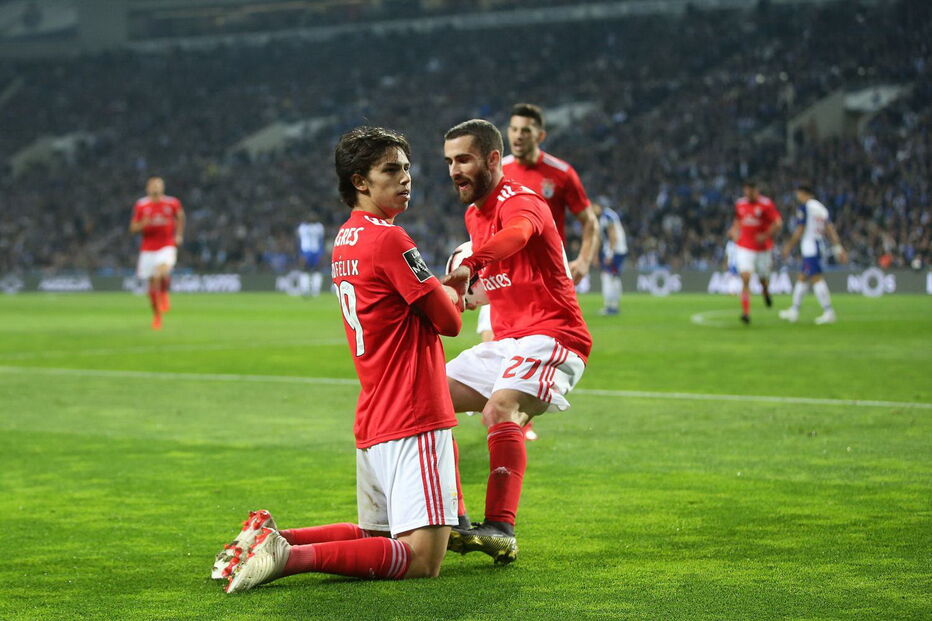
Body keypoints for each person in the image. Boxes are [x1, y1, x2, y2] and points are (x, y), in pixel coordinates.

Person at [216, 127, 464, 593]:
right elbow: (449, 321)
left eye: (408, 168)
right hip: (414, 410)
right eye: (391, 170)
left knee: (377, 537)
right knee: (423, 557)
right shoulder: (390, 240)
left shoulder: (346, 240)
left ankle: (269, 539)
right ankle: (287, 558)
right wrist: (457, 286)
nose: (406, 178)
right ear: (361, 182)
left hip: (375, 410)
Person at [441, 119, 592, 564]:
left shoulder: (522, 200)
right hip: (507, 340)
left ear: (492, 159)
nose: (454, 170)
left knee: (499, 408)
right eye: (449, 161)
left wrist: (473, 261)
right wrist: (466, 295)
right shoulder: (473, 214)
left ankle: (501, 528)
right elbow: (504, 281)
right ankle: (456, 518)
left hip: (554, 334)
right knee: (425, 402)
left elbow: (519, 236)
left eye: (463, 159)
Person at [480, 102, 599, 439]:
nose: (518, 136)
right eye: (514, 129)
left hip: (543, 276)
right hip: (501, 272)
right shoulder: (497, 169)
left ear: (540, 135)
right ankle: (512, 415)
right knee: (494, 340)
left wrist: (584, 259)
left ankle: (513, 412)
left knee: (531, 339)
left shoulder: (560, 173)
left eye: (526, 131)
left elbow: (589, 221)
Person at [779, 184, 847, 324]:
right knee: (803, 277)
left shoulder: (805, 207)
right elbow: (829, 228)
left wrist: (788, 246)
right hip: (818, 244)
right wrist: (838, 247)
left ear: (803, 193)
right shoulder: (821, 208)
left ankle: (829, 311)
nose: (797, 197)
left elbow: (800, 229)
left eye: (798, 194)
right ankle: (794, 310)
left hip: (810, 246)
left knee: (816, 278)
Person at [128, 176, 184, 330]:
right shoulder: (141, 205)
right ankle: (157, 316)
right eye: (153, 186)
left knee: (161, 272)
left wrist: (178, 234)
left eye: (158, 185)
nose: (156, 188)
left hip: (166, 245)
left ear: (163, 188)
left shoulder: (172, 203)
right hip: (147, 249)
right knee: (152, 283)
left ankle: (164, 293)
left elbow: (180, 217)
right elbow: (132, 228)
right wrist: (142, 224)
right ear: (148, 188)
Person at [727, 180, 782, 324]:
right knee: (745, 278)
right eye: (746, 190)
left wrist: (765, 236)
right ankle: (746, 313)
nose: (748, 193)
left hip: (762, 249)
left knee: (763, 279)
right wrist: (733, 231)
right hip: (744, 246)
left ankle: (765, 292)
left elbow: (778, 223)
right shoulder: (740, 204)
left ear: (756, 190)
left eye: (751, 190)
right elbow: (737, 220)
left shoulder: (766, 204)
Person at [592, 201, 627, 315]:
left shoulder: (606, 216)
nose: (592, 209)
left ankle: (609, 307)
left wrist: (610, 254)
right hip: (620, 249)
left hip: (615, 251)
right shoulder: (606, 216)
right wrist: (596, 255)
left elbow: (613, 236)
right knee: (614, 277)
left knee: (607, 276)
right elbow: (599, 239)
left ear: (599, 206)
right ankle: (614, 306)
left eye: (593, 206)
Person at [296, 213, 325, 296]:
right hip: (305, 251)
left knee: (317, 270)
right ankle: (305, 289)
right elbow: (299, 240)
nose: (311, 217)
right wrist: (300, 253)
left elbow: (321, 240)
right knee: (304, 269)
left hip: (316, 251)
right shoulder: (302, 227)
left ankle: (315, 290)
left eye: (313, 216)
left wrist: (321, 253)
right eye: (310, 216)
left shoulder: (319, 227)